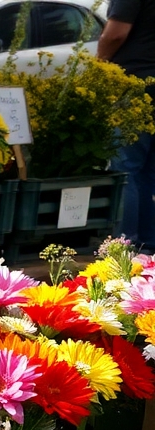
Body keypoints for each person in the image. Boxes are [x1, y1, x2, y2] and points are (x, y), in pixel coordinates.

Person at [100, 0, 155, 248]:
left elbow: (115, 34)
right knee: (147, 171)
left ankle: (125, 244)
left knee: (126, 168)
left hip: (136, 83)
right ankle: (147, 241)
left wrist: (99, 64)